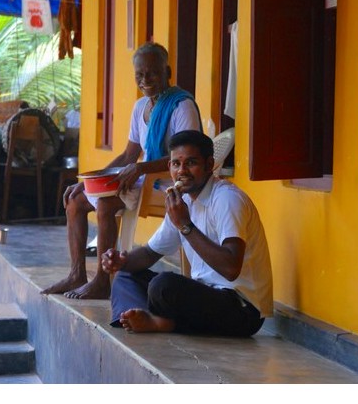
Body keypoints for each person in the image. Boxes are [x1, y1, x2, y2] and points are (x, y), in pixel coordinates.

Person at [42, 42, 202, 299]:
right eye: (140, 74)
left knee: (105, 205)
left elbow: (188, 159)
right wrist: (88, 180)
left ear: (167, 71)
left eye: (152, 73)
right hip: (142, 177)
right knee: (74, 200)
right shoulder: (141, 107)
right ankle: (76, 274)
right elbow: (129, 154)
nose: (145, 79)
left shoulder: (181, 106)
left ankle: (103, 281)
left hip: (169, 184)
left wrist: (140, 168)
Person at [102, 130, 274, 336]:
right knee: (126, 276)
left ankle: (163, 323)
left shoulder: (227, 199)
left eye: (191, 163)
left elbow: (231, 268)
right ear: (169, 167)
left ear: (209, 165)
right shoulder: (181, 201)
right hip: (203, 296)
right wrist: (121, 261)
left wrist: (185, 225)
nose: (182, 171)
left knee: (163, 285)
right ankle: (133, 318)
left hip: (241, 310)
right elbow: (150, 253)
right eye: (176, 164)